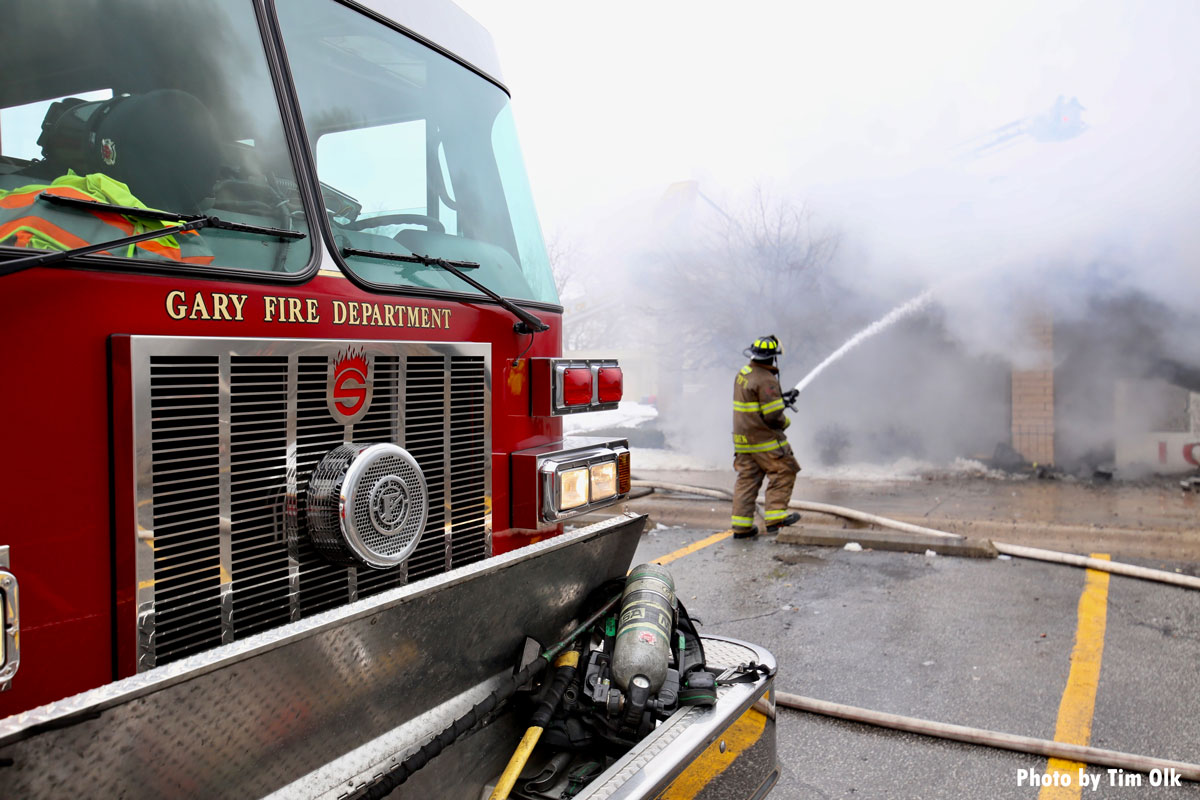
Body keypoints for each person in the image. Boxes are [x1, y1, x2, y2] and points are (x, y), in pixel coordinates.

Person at [731, 335, 801, 538]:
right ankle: (776, 519)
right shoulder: (767, 380)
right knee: (784, 470)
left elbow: (759, 403)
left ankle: (741, 528)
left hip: (743, 441)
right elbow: (772, 416)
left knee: (747, 480)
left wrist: (781, 399)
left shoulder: (744, 373)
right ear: (773, 357)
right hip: (763, 440)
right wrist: (785, 421)